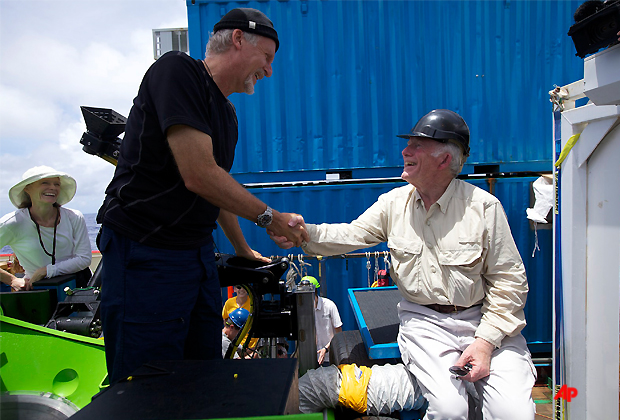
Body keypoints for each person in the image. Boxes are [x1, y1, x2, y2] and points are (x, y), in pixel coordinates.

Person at [272, 110, 537, 419]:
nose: (405, 152)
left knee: (513, 413)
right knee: (449, 410)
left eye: (416, 145)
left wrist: (485, 342)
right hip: (425, 322)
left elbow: (510, 283)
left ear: (444, 160)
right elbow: (351, 234)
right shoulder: (394, 204)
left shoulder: (484, 208)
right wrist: (304, 235)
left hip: (484, 321)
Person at [96, 8, 308, 384]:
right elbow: (199, 175)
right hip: (146, 251)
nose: (269, 71)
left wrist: (242, 249)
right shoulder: (178, 71)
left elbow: (218, 185)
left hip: (195, 256)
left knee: (202, 375)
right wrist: (271, 218)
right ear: (239, 39)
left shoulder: (227, 114)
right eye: (267, 58)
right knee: (147, 384)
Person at [0, 166, 91, 292]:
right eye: (45, 183)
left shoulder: (74, 217)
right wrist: (12, 280)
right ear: (27, 188)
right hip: (37, 289)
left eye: (57, 184)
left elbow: (84, 258)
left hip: (79, 285)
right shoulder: (12, 223)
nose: (53, 187)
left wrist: (46, 271)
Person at [303, 276, 342, 365]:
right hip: (310, 359)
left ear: (313, 293)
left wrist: (326, 349)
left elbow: (339, 334)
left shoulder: (329, 306)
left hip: (330, 358)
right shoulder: (303, 310)